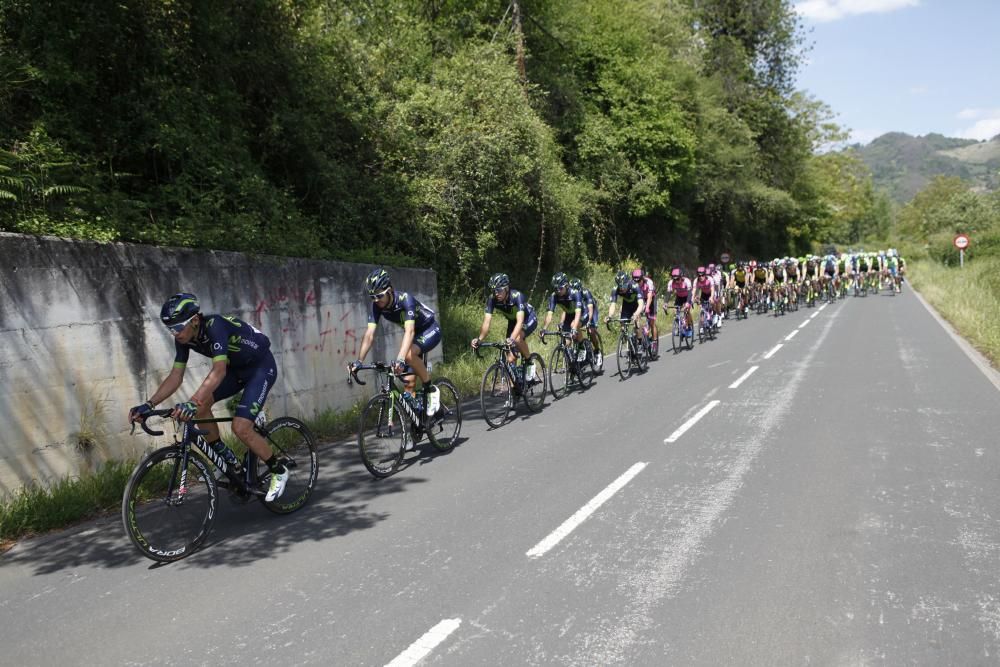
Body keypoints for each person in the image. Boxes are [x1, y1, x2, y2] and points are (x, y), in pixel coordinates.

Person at [127, 293, 288, 501]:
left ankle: (279, 471)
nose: (175, 334)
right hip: (235, 369)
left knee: (240, 428)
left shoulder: (215, 326)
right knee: (202, 408)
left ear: (194, 320)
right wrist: (149, 404)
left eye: (177, 327)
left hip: (260, 367)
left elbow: (218, 371)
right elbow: (176, 376)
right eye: (170, 329)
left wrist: (192, 402)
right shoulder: (184, 339)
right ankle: (227, 460)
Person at [349, 268, 443, 441]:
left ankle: (431, 390)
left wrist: (400, 358)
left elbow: (409, 331)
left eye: (379, 296)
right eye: (372, 297)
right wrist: (359, 361)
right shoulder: (377, 307)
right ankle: (417, 422)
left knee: (407, 356)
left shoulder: (405, 300)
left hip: (429, 329)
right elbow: (369, 335)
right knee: (408, 383)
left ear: (389, 290)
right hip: (414, 335)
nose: (376, 300)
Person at [471, 272, 538, 376]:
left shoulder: (517, 296)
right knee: (510, 359)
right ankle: (515, 388)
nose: (496, 293)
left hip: (528, 318)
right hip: (512, 322)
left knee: (516, 338)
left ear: (506, 288)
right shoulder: (492, 299)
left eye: (498, 290)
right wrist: (479, 339)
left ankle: (529, 361)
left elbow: (520, 321)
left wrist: (511, 339)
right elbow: (487, 321)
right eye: (493, 290)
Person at [541, 272, 586, 360]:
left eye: (560, 288)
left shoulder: (575, 293)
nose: (558, 291)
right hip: (569, 315)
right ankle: (571, 366)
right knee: (567, 342)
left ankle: (581, 346)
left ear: (566, 286)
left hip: (582, 313)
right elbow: (549, 314)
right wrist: (544, 328)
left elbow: (577, 314)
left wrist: (573, 329)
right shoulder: (554, 296)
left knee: (574, 325)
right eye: (556, 288)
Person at [569, 277, 603, 370]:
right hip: (580, 311)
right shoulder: (571, 295)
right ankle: (581, 348)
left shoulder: (585, 292)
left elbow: (590, 309)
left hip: (591, 311)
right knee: (574, 328)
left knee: (591, 331)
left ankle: (597, 351)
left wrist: (588, 322)